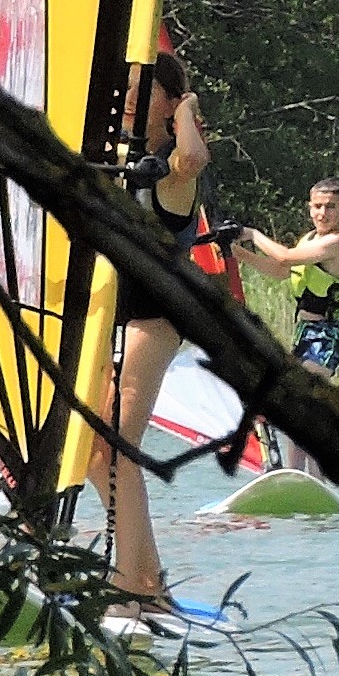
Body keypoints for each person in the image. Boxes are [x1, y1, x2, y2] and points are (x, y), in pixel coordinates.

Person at [98, 52, 216, 610]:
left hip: (157, 315)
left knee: (122, 447)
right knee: (99, 454)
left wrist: (187, 108)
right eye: (123, 89)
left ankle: (131, 586)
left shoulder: (170, 168)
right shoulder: (125, 160)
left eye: (141, 91)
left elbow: (194, 157)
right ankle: (149, 580)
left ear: (168, 103)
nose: (127, 98)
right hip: (117, 314)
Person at [227, 179, 339, 471]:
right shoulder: (309, 239)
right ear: (309, 208)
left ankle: (320, 478)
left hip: (328, 334)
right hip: (305, 334)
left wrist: (252, 234)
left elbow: (284, 256)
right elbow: (279, 270)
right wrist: (237, 252)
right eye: (317, 207)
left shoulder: (336, 244)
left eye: (330, 207)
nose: (323, 213)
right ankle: (296, 475)